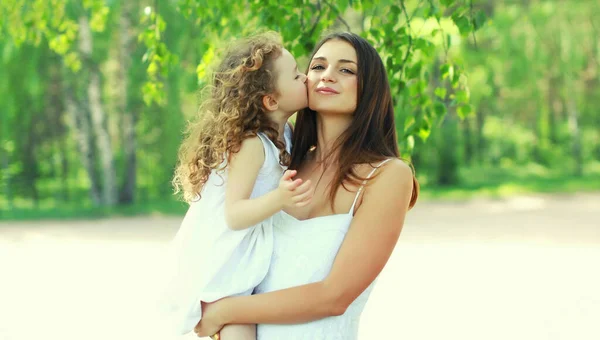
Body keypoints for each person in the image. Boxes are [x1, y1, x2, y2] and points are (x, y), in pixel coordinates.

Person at [193, 31, 420, 340]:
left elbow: (335, 296)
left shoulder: (387, 175)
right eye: (317, 67)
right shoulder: (281, 164)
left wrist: (223, 312)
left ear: (370, 88)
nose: (327, 76)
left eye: (346, 69)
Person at [160, 32, 311, 340]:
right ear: (271, 100)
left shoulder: (288, 134)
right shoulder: (252, 144)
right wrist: (280, 198)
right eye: (296, 75)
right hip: (224, 267)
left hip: (246, 262)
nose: (306, 77)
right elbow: (235, 214)